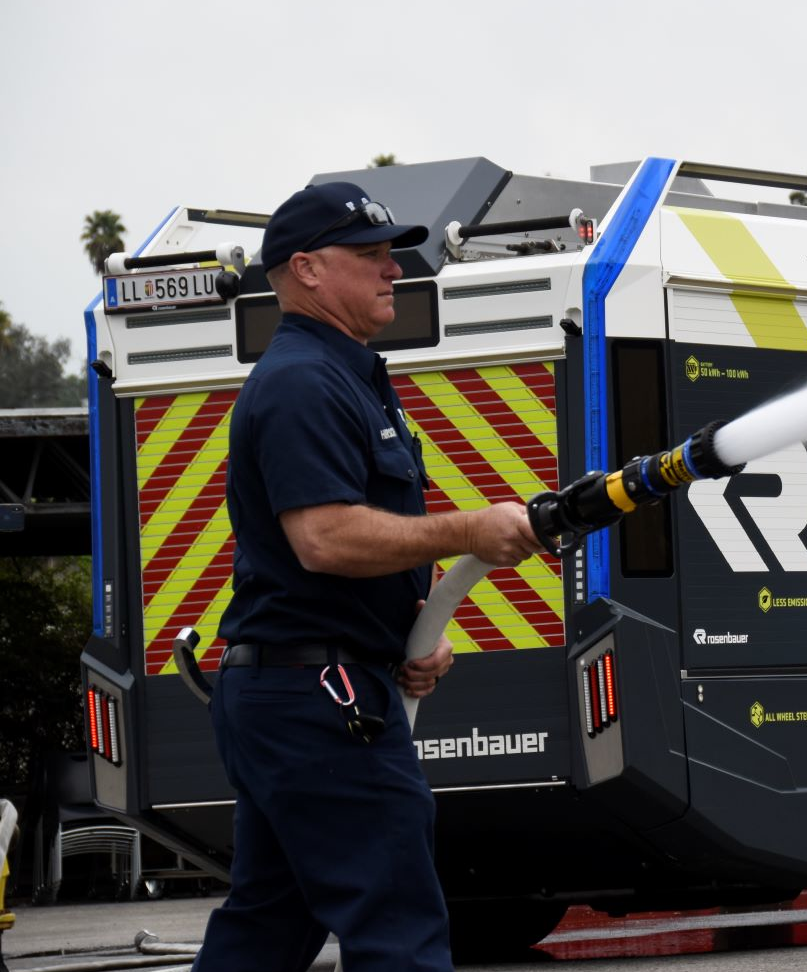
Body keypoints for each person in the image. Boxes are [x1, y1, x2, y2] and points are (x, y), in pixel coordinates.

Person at [194, 182, 543, 972]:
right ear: (308, 269)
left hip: (303, 692)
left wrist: (410, 633)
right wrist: (470, 530)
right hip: (321, 703)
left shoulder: (341, 376)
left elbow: (337, 558)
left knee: (269, 926)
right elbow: (322, 538)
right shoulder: (303, 384)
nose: (394, 269)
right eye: (372, 256)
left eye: (392, 253)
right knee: (398, 930)